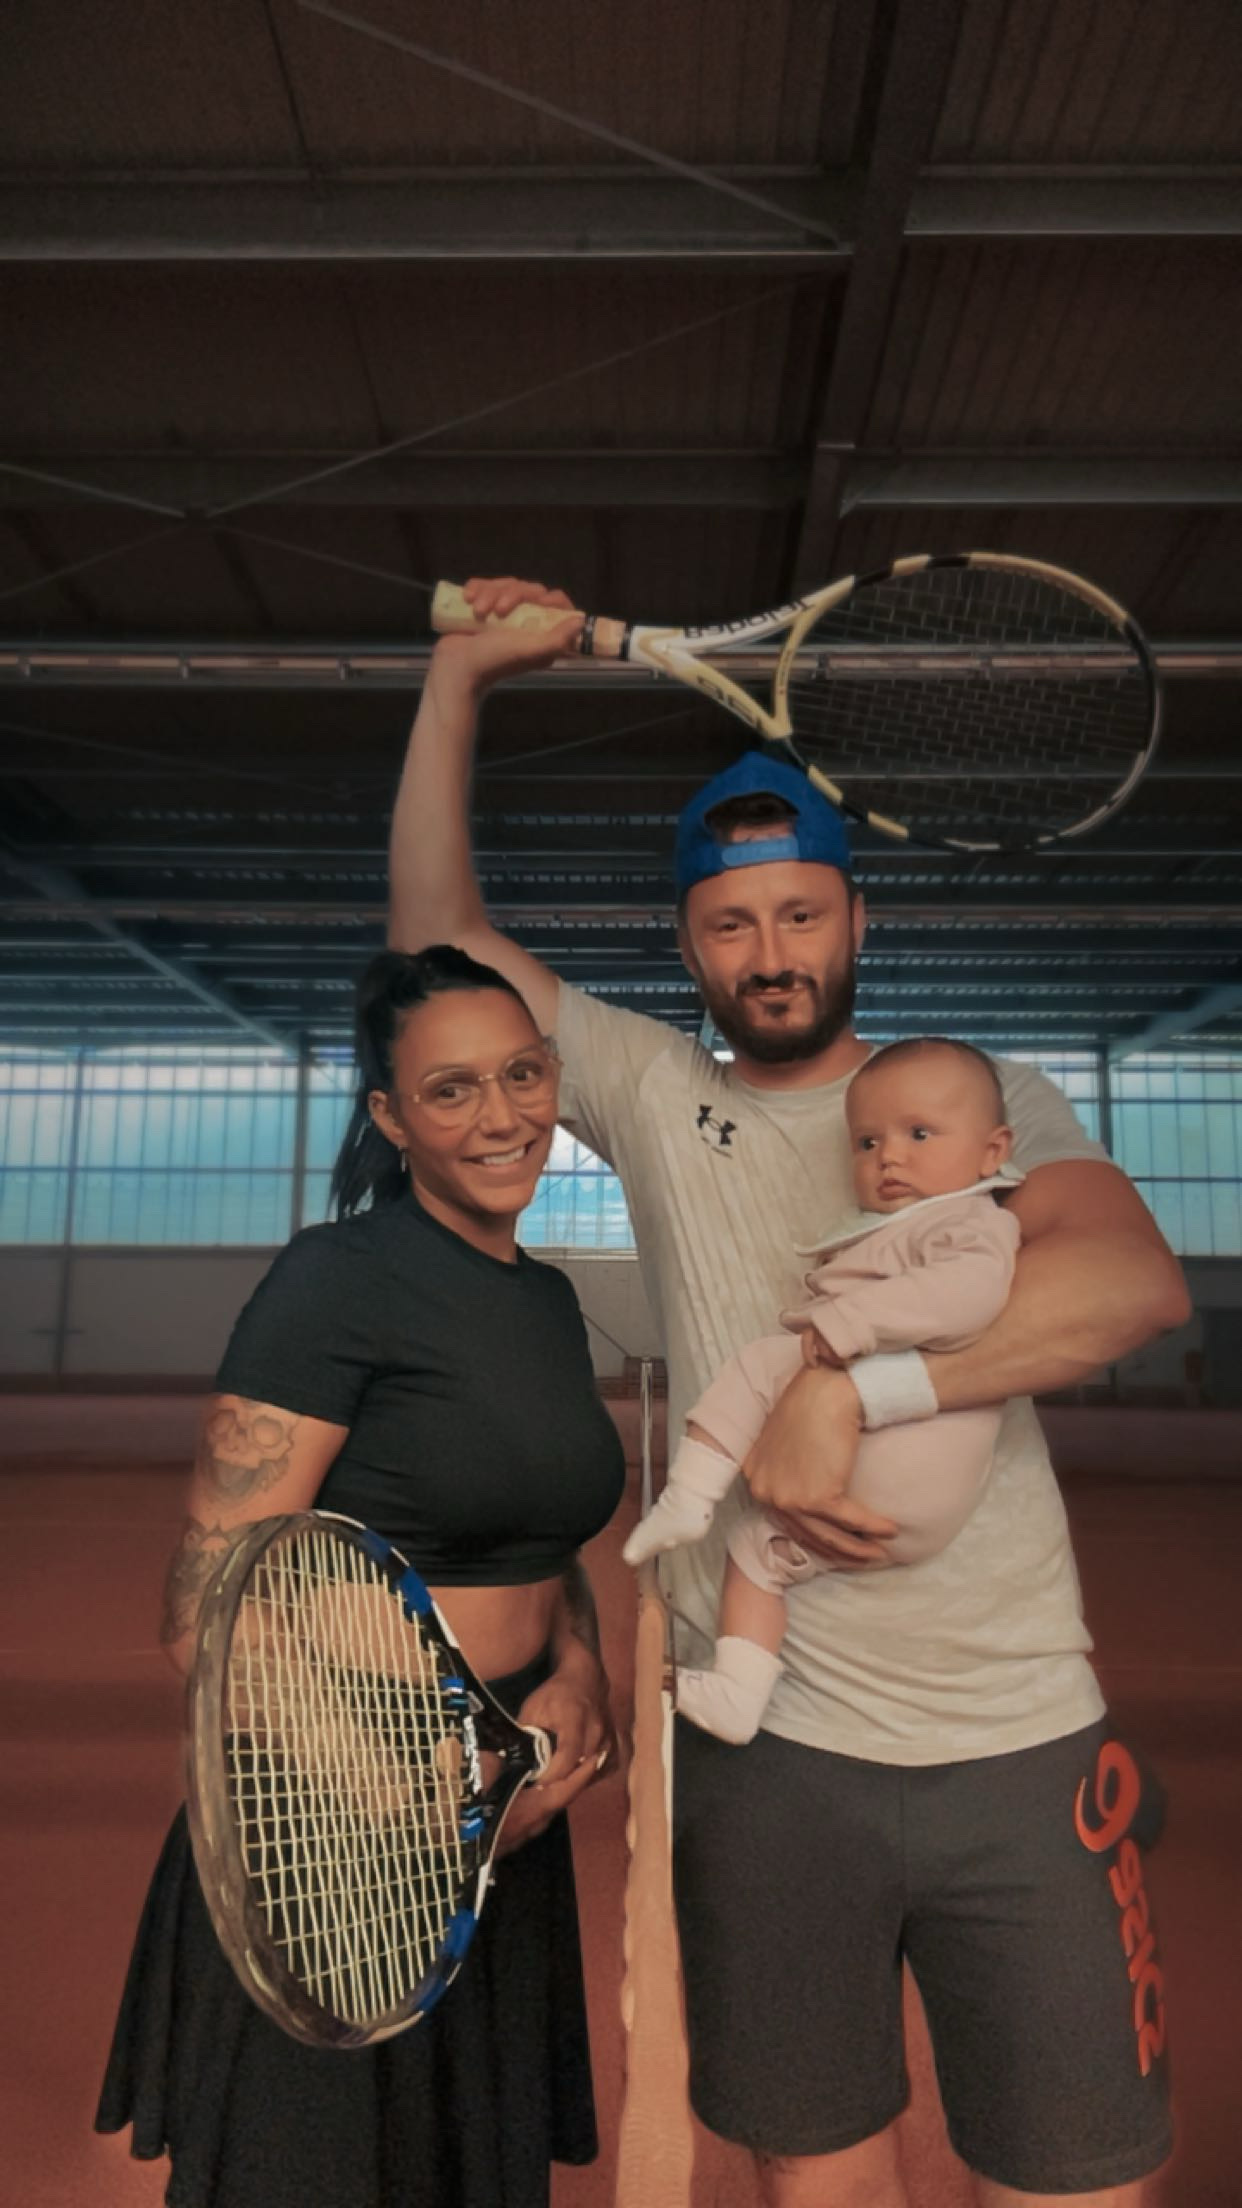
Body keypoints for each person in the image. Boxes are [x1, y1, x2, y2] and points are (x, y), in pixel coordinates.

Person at [389, 576, 1188, 2208]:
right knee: (816, 2182)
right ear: (686, 941)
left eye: (801, 914)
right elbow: (433, 945)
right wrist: (460, 679)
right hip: (762, 1752)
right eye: (731, 923)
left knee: (1079, 2186)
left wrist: (861, 1388)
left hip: (1014, 1735)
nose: (770, 953)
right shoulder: (649, 1086)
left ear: (855, 921)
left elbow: (1127, 1284)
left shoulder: (977, 1101)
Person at [96, 944, 627, 2208]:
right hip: (335, 1819)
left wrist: (580, 1669)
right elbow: (202, 1602)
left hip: (498, 1808)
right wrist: (375, 1780)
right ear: (391, 1117)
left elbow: (540, 1543)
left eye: (522, 1074)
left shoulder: (550, 1304)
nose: (501, 1116)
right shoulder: (336, 1282)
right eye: (451, 1090)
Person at [624, 1035, 1021, 1743]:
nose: (888, 1157)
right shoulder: (901, 1225)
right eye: (867, 1142)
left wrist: (849, 1321)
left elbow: (969, 1295)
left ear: (993, 1152)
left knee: (759, 1366)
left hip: (915, 1455)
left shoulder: (968, 1220)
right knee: (756, 1551)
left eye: (919, 1134)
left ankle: (688, 1496)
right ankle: (738, 1694)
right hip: (892, 1503)